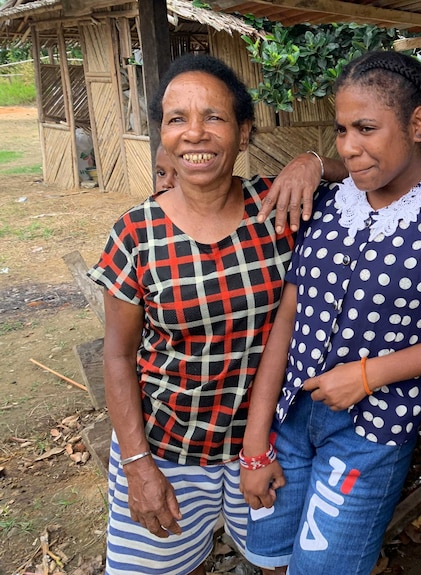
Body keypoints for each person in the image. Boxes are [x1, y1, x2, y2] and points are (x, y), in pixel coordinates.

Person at [239, 50, 421, 575]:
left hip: (370, 431)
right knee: (269, 557)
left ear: (416, 123)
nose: (349, 147)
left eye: (365, 128)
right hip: (290, 418)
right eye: (341, 131)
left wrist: (368, 374)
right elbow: (289, 319)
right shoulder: (331, 200)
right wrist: (256, 443)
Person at [88, 54, 297, 575]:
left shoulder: (280, 209)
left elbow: (369, 167)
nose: (195, 134)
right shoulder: (135, 234)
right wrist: (138, 467)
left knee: (280, 566)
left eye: (215, 117)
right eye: (177, 118)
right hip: (166, 450)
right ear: (163, 133)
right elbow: (117, 356)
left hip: (268, 447)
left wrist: (313, 161)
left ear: (244, 132)